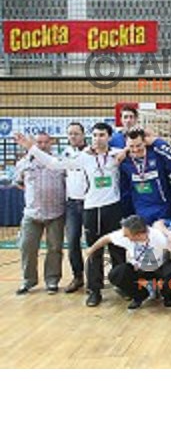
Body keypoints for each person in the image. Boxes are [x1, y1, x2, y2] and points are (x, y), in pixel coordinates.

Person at [16, 123, 127, 307]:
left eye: (102, 135)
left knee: (118, 248)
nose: (98, 138)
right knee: (94, 251)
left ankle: (122, 285)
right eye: (95, 135)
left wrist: (127, 149)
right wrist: (31, 148)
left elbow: (140, 145)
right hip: (91, 209)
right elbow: (53, 163)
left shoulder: (117, 154)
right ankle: (94, 290)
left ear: (109, 137)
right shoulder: (83, 157)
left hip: (113, 208)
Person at [85, 215, 171, 309]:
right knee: (116, 274)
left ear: (138, 234)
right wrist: (91, 250)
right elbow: (106, 238)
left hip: (159, 267)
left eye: (127, 235)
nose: (124, 236)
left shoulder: (159, 237)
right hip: (138, 268)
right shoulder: (123, 236)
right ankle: (140, 295)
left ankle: (166, 294)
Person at [13, 132, 66, 295]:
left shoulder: (58, 162)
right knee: (27, 246)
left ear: (51, 143)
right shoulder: (23, 163)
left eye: (45, 142)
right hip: (32, 213)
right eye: (39, 142)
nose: (42, 145)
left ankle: (52, 280)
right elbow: (19, 183)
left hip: (56, 212)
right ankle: (28, 280)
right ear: (33, 144)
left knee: (55, 248)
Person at [119, 128, 171, 223]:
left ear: (145, 142)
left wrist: (156, 141)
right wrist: (127, 214)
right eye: (131, 146)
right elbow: (125, 191)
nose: (135, 150)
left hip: (163, 209)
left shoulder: (157, 154)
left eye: (138, 145)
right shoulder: (125, 162)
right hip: (141, 211)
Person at [62, 122, 88, 293]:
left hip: (90, 203)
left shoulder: (91, 152)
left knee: (94, 242)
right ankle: (78, 276)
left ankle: (95, 280)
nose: (73, 136)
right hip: (72, 204)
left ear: (83, 134)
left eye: (76, 133)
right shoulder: (65, 153)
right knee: (72, 242)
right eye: (70, 134)